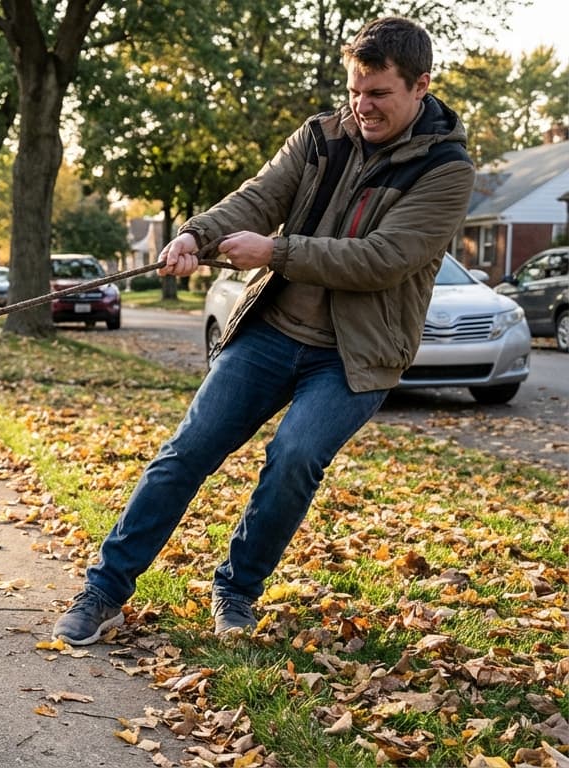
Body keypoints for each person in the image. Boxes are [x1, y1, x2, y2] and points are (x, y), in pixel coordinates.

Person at [53, 16, 475, 644]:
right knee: (186, 452)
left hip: (352, 357)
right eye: (355, 90)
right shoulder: (318, 137)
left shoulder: (446, 170)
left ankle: (236, 590)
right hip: (272, 331)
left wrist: (277, 252)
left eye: (379, 93)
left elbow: (386, 258)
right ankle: (104, 590)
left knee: (295, 458)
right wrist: (197, 233)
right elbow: (255, 198)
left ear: (421, 87)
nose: (362, 106)